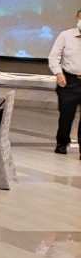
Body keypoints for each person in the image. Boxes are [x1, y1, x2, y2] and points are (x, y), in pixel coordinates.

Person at [47, 9, 81, 155]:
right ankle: (62, 143)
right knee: (66, 115)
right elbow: (53, 56)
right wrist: (58, 73)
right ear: (78, 17)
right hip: (69, 81)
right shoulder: (66, 35)